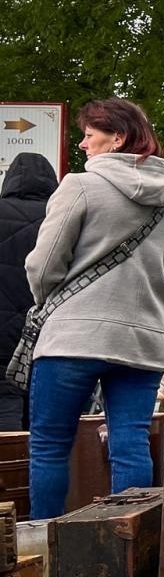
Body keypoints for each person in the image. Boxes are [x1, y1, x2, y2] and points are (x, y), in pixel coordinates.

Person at [25, 100, 164, 518]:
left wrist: (52, 302)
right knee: (130, 440)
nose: (82, 144)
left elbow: (43, 264)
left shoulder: (79, 185)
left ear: (118, 138)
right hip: (143, 340)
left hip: (73, 337)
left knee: (50, 444)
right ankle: (129, 547)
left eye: (89, 135)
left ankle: (45, 547)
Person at [0, 154, 59, 430]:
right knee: (45, 421)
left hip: (1, 336)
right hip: (46, 333)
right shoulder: (60, 217)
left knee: (5, 407)